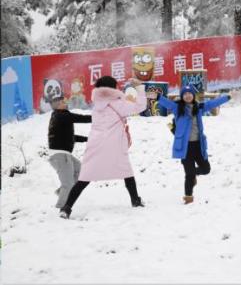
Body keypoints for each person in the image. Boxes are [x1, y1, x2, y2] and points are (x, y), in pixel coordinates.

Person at [59, 76, 148, 219]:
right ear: (113, 88)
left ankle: (67, 207)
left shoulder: (96, 106)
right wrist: (139, 87)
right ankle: (135, 200)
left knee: (85, 177)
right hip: (115, 145)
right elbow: (140, 106)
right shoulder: (119, 103)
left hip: (96, 144)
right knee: (126, 171)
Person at [156, 85, 231, 204]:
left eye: (189, 93)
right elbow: (166, 102)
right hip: (185, 147)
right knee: (189, 174)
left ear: (193, 95)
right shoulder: (177, 108)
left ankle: (194, 174)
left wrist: (227, 97)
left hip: (198, 145)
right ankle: (188, 197)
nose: (187, 95)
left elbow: (213, 103)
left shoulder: (199, 107)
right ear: (182, 96)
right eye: (184, 94)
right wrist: (157, 96)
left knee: (206, 169)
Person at [47, 96, 92, 209]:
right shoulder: (62, 115)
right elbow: (82, 118)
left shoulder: (59, 117)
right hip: (61, 155)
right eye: (62, 102)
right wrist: (99, 117)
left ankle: (62, 192)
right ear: (57, 106)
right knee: (68, 184)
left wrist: (87, 139)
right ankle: (60, 208)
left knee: (82, 172)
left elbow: (70, 137)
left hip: (63, 155)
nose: (65, 103)